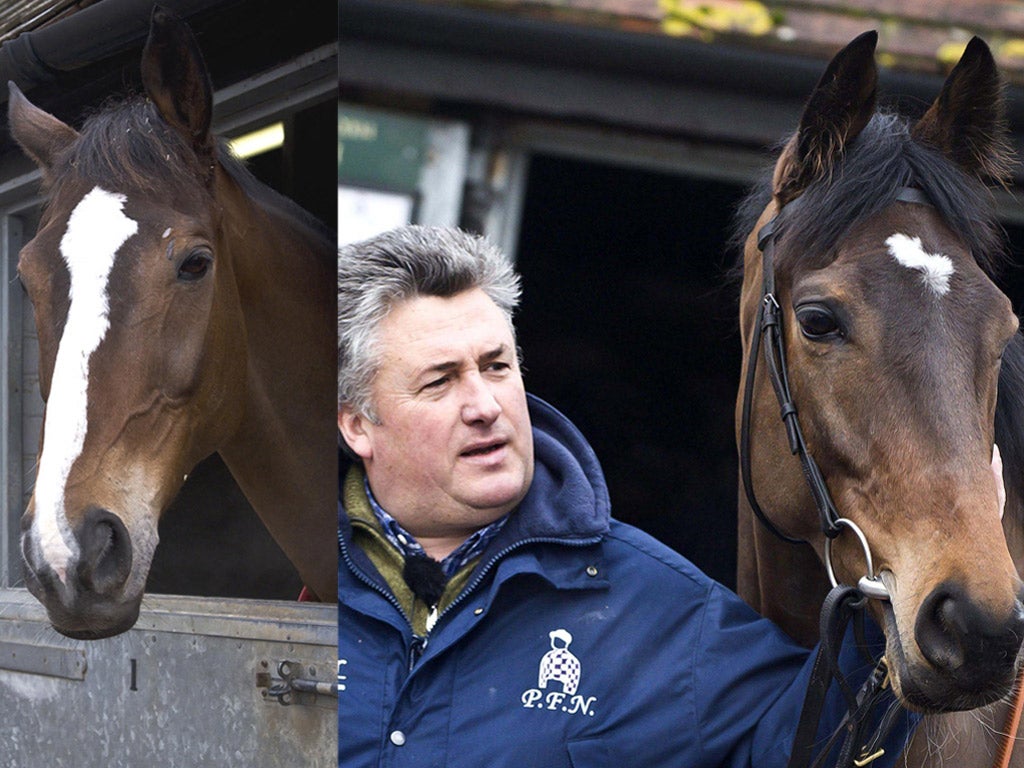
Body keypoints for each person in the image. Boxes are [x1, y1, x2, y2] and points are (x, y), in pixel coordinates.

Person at [337, 225, 917, 767]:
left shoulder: (663, 612)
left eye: (496, 367)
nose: (485, 406)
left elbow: (815, 747)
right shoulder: (293, 574)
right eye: (439, 381)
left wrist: (907, 565)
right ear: (357, 425)